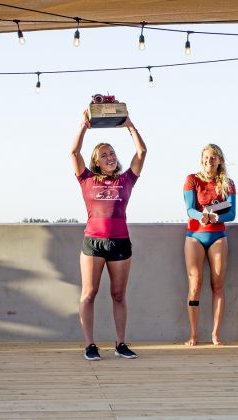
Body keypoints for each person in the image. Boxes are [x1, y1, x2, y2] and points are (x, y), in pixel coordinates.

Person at [71, 109, 147, 361]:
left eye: (112, 153)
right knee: (89, 294)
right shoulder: (86, 178)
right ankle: (90, 345)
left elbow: (142, 153)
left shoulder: (126, 180)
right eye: (104, 155)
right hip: (93, 242)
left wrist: (130, 126)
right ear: (96, 162)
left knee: (118, 295)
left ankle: (120, 343)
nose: (110, 157)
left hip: (120, 242)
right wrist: (84, 126)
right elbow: (73, 152)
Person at [183, 144, 236, 346]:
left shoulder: (228, 183)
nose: (209, 161)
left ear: (219, 160)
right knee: (195, 285)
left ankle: (215, 335)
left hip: (218, 236)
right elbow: (189, 209)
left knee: (218, 286)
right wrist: (203, 216)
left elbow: (231, 213)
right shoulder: (192, 179)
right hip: (195, 236)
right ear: (201, 159)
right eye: (206, 157)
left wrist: (214, 218)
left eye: (213, 158)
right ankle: (193, 334)